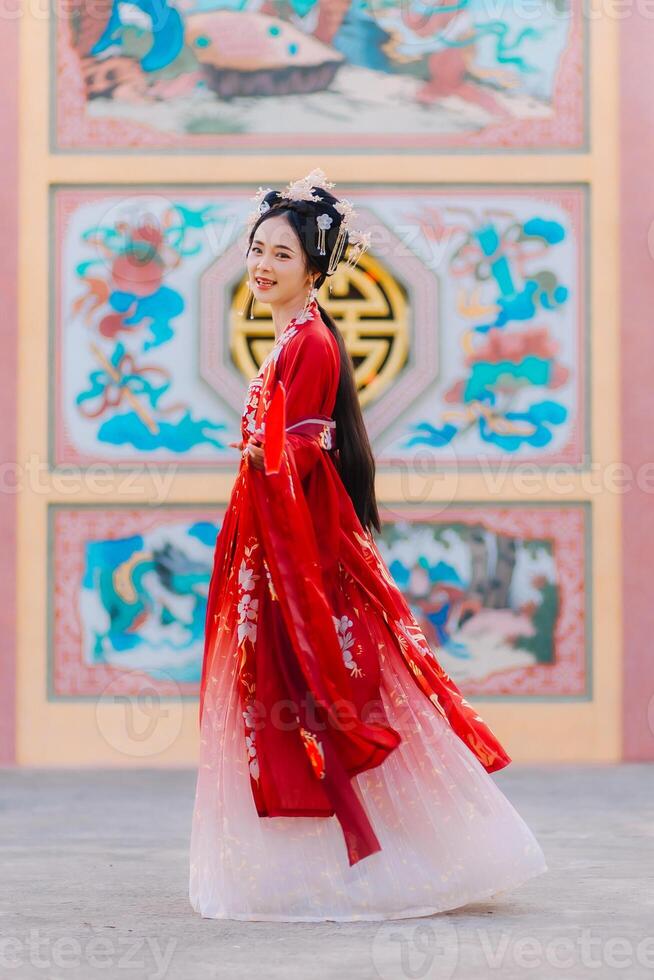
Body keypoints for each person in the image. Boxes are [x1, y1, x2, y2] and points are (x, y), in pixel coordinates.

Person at [189, 168, 547, 921]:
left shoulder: (311, 343)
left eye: (282, 255)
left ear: (315, 269)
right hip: (277, 550)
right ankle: (325, 867)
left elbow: (304, 458)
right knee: (300, 707)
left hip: (300, 556)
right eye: (257, 250)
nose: (263, 265)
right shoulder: (292, 340)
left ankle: (395, 863)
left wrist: (264, 462)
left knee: (330, 705)